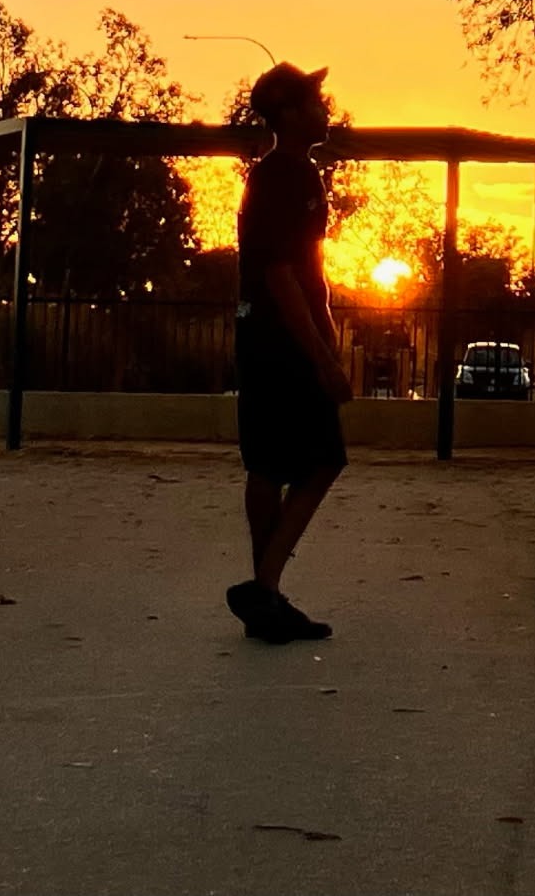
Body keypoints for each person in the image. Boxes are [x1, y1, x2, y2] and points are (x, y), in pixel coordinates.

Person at [226, 62, 354, 644]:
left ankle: (267, 599)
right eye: (314, 101)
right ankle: (265, 585)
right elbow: (283, 274)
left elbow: (311, 270)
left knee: (267, 465)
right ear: (288, 113)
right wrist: (321, 356)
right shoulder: (287, 176)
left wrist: (328, 335)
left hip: (263, 336)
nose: (325, 110)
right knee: (322, 459)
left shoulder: (281, 174)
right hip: (282, 341)